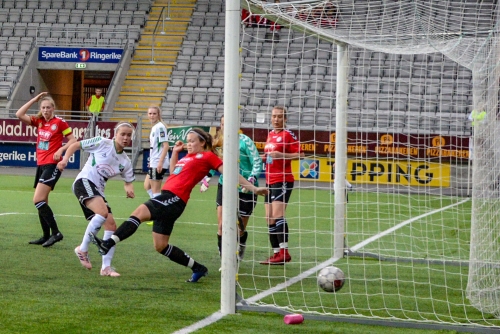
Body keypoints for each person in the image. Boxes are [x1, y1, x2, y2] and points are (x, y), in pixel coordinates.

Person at [88, 128, 269, 282]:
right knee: (160, 245)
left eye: (192, 141)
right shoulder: (187, 157)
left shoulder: (207, 157)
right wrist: (175, 153)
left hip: (175, 198)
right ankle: (198, 268)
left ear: (203, 142)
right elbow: (175, 171)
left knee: (140, 212)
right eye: (188, 141)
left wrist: (253, 188)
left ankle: (108, 244)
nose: (188, 144)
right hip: (169, 197)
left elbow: (229, 173)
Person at [57, 122, 136, 277]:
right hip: (84, 181)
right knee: (102, 212)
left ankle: (105, 267)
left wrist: (129, 188)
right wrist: (65, 159)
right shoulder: (101, 142)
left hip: (97, 190)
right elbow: (75, 145)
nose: (125, 137)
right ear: (115, 134)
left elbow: (128, 181)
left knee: (111, 226)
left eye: (128, 135)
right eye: (123, 134)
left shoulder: (125, 161)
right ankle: (82, 249)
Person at [15, 92, 77, 247]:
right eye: (43, 107)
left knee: (38, 200)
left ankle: (56, 233)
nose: (45, 110)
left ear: (53, 108)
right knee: (43, 201)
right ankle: (45, 235)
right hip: (41, 165)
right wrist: (34, 100)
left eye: (48, 107)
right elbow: (19, 114)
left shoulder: (59, 123)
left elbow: (73, 141)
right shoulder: (39, 122)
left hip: (52, 165)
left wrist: (61, 150)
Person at [200, 116, 262, 261]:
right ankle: (225, 259)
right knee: (222, 225)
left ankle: (242, 241)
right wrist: (207, 178)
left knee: (240, 228)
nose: (225, 126)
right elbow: (214, 162)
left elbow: (257, 162)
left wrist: (251, 179)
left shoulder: (245, 141)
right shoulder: (218, 142)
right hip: (225, 185)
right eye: (222, 124)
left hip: (245, 188)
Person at [260, 106, 304, 265]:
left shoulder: (288, 134)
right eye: (274, 116)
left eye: (279, 117)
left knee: (278, 215)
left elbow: (301, 155)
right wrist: (263, 157)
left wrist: (281, 155)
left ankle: (285, 252)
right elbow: (270, 155)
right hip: (269, 180)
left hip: (283, 179)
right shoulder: (270, 135)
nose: (276, 119)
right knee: (269, 218)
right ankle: (276, 253)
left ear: (285, 119)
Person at [144, 106, 170, 199]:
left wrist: (160, 162)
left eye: (154, 113)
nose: (152, 116)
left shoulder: (160, 127)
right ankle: (157, 204)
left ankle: (158, 209)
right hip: (154, 161)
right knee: (147, 185)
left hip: (158, 161)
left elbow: (166, 146)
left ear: (158, 115)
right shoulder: (155, 127)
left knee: (155, 190)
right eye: (150, 113)